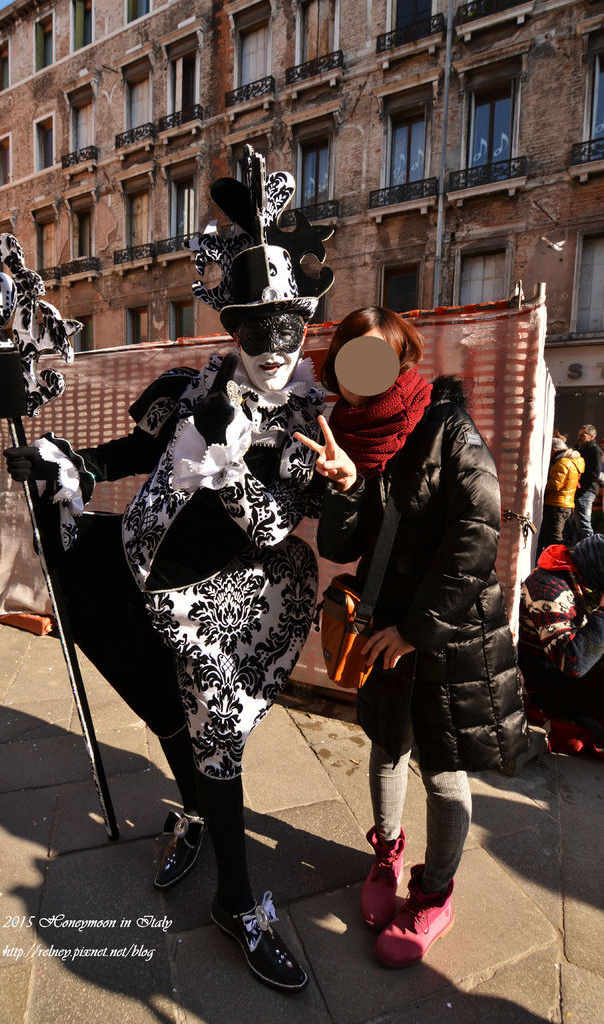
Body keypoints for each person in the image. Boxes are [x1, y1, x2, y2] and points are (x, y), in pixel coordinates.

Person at [5, 146, 333, 992]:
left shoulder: (303, 422)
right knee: (168, 714)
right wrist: (66, 461)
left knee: (216, 736)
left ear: (304, 327)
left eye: (287, 329)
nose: (273, 347)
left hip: (229, 603)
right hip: (143, 579)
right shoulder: (190, 389)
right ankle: (190, 812)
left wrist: (227, 467)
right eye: (256, 328)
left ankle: (236, 900)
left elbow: (277, 526)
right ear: (232, 326)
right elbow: (128, 452)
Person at [295, 307, 528, 969]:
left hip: (448, 631)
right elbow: (340, 546)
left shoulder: (446, 425)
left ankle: (434, 893)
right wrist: (345, 486)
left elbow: (477, 533)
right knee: (385, 744)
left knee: (444, 771)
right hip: (382, 626)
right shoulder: (347, 435)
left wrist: (417, 628)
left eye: (376, 356)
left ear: (401, 360)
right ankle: (387, 853)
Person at [518, 535, 604, 751]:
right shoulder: (548, 587)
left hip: (568, 678)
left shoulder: (579, 579)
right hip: (547, 687)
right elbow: (572, 664)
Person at [536, 431, 584, 556]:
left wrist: (539, 485)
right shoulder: (572, 461)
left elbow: (555, 484)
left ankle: (556, 561)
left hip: (556, 504)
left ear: (554, 450)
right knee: (555, 536)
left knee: (554, 538)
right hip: (566, 504)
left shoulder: (562, 463)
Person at [572, 424, 602, 539]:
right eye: (579, 435)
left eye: (583, 435)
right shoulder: (578, 449)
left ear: (592, 436)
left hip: (586, 491)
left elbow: (595, 474)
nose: (579, 437)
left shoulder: (595, 451)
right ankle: (579, 546)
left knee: (583, 523)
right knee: (576, 523)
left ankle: (591, 545)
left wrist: (583, 490)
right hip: (578, 490)